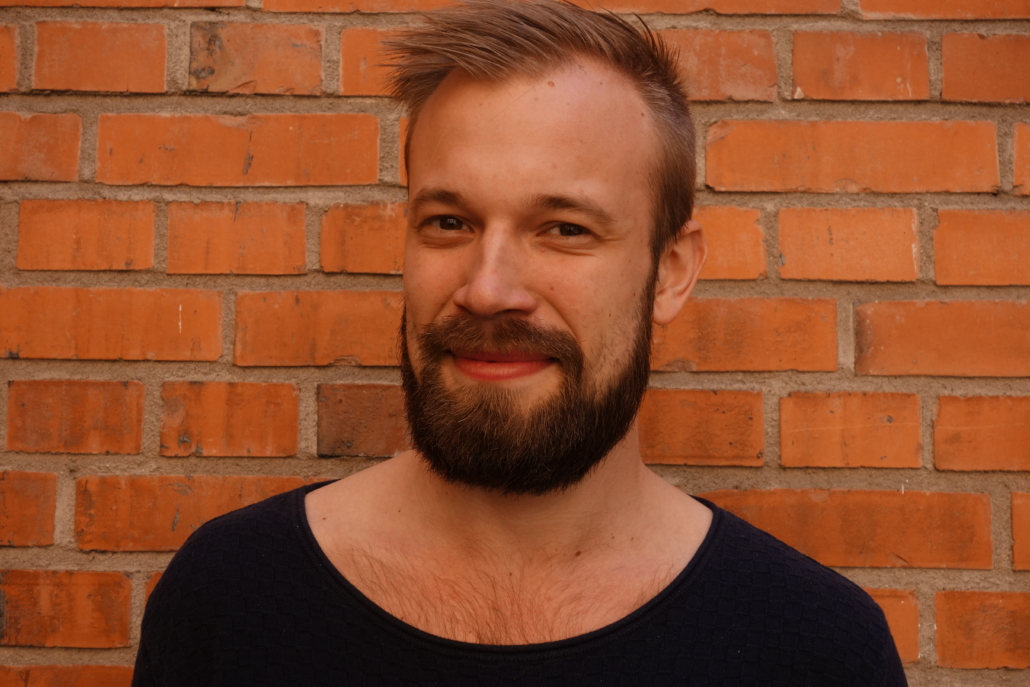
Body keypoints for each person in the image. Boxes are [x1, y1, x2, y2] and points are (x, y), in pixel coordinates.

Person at [133, 1, 907, 684]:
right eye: (449, 222)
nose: (488, 288)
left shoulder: (817, 648)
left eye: (563, 228)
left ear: (670, 272)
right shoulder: (228, 599)